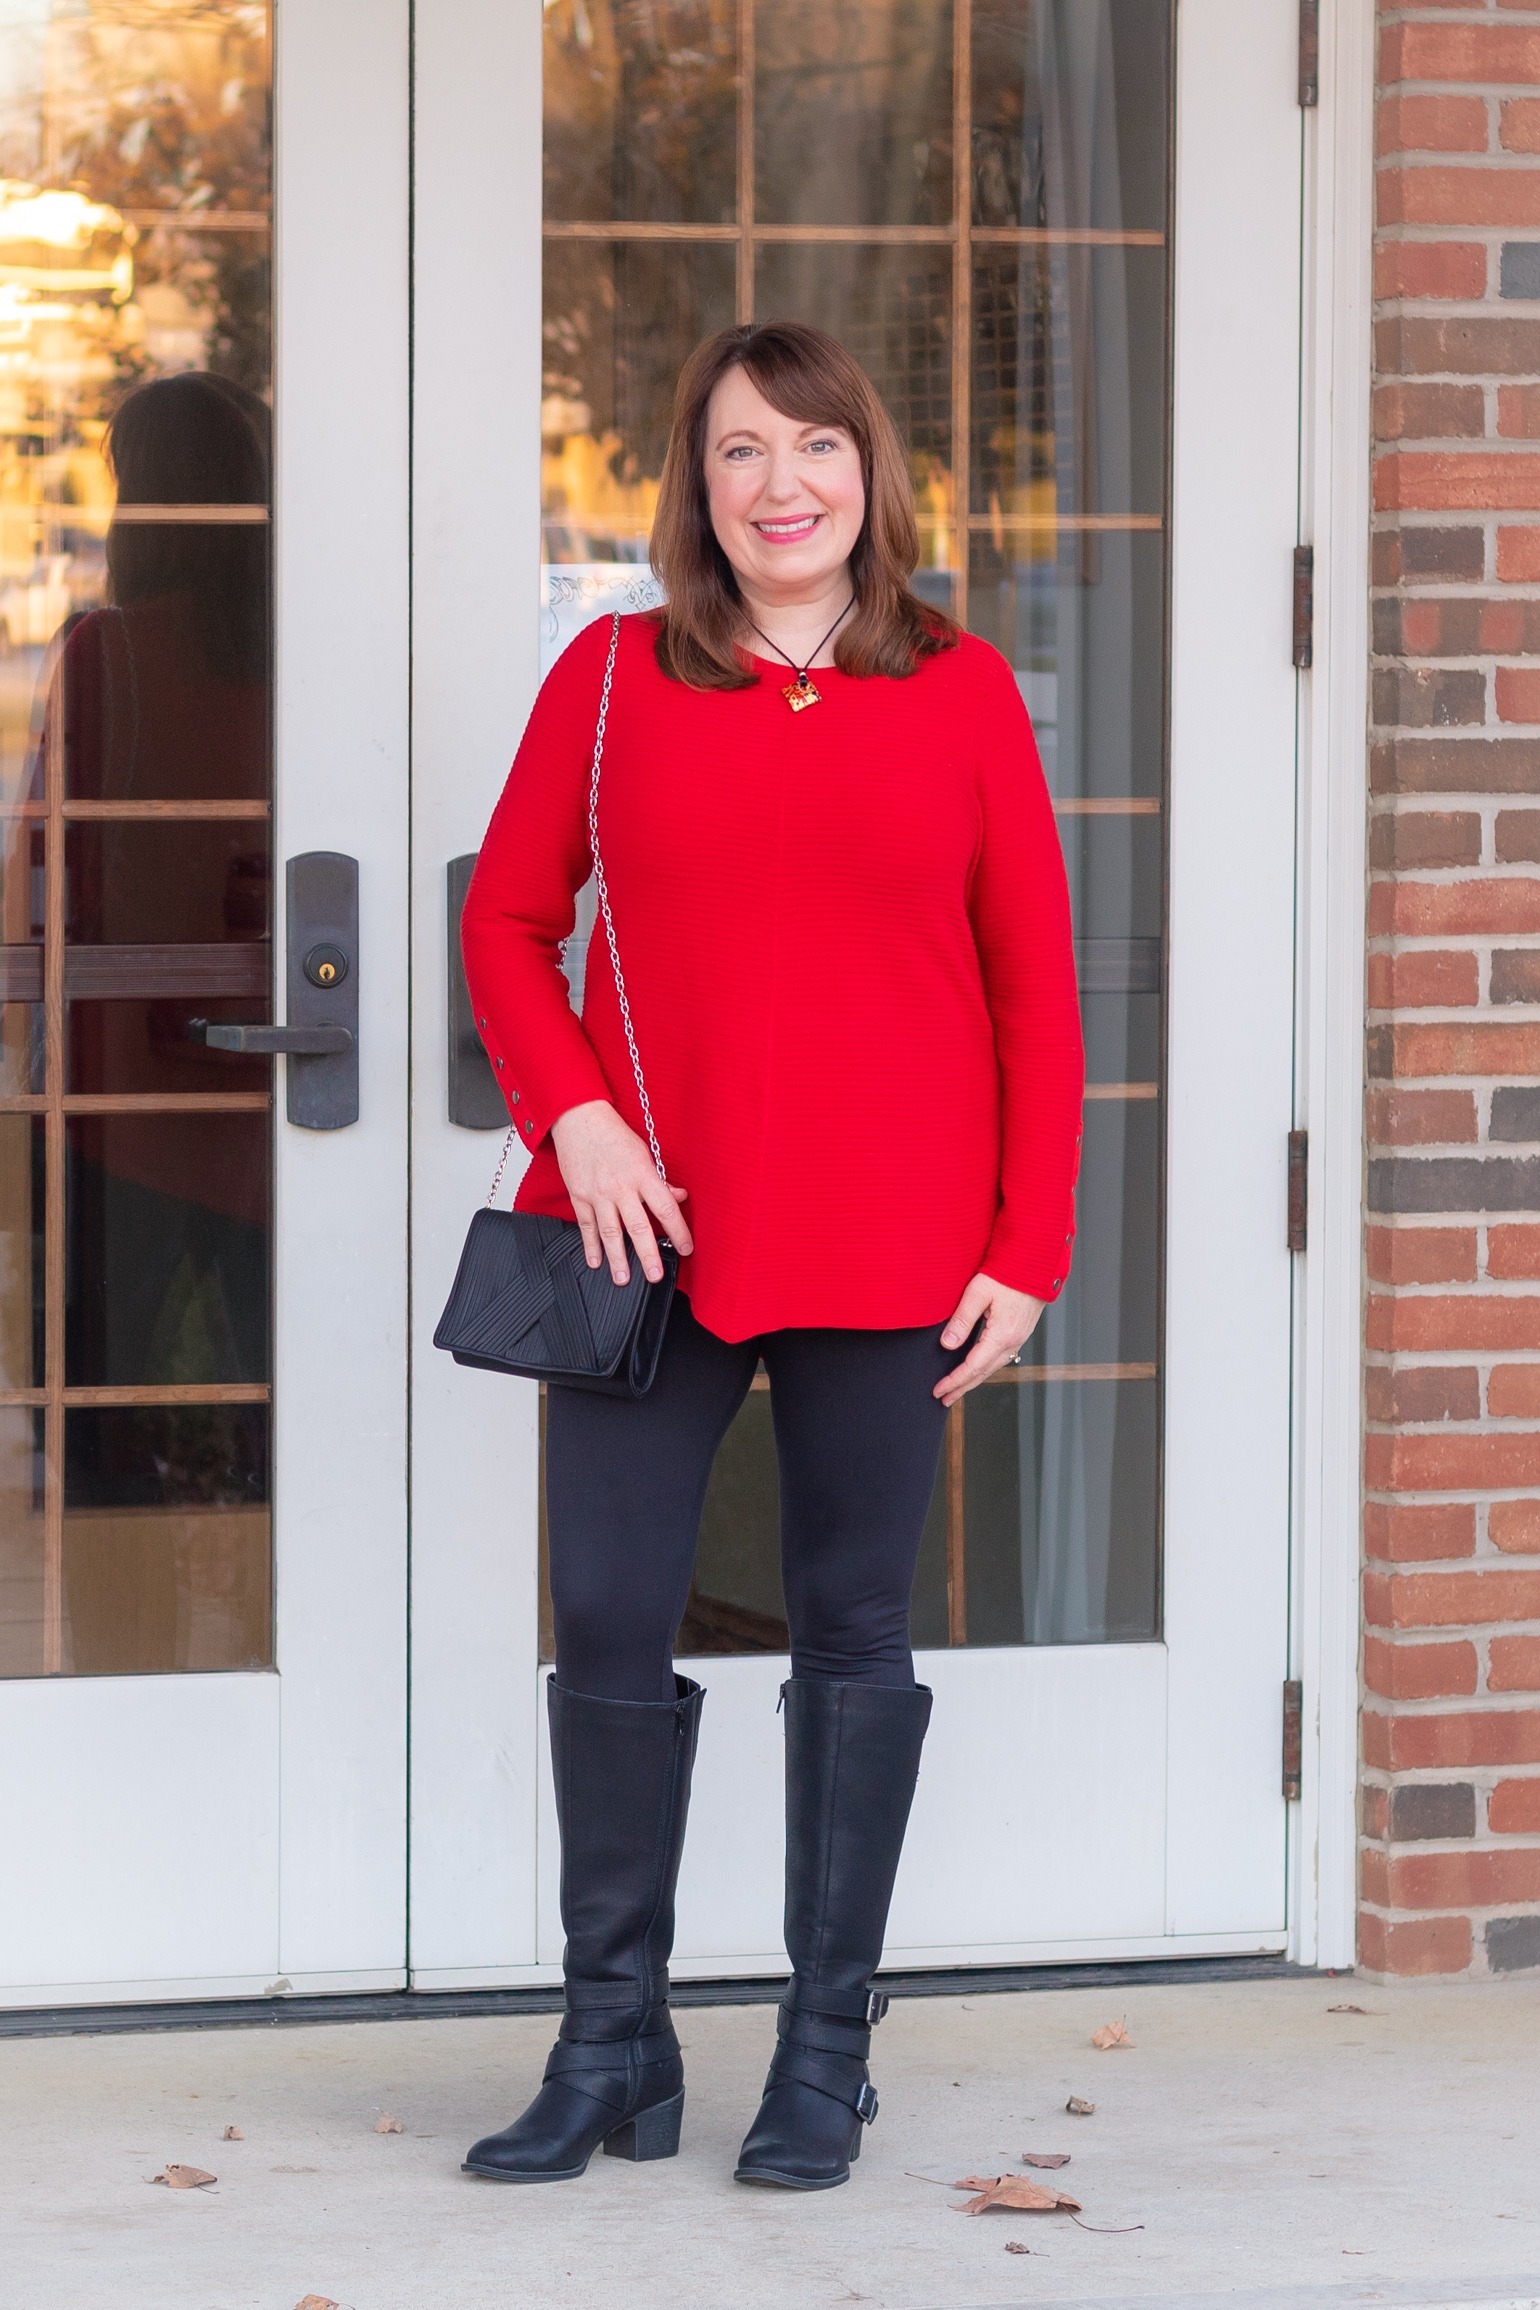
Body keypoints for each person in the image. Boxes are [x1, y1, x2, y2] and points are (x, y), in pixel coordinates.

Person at [458, 321, 1083, 2190]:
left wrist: (1028, 1243)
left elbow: (1035, 993)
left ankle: (825, 2053)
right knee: (609, 1616)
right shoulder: (608, 679)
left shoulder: (961, 688)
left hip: (894, 1236)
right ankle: (610, 2037)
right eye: (741, 451)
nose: (783, 484)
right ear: (697, 485)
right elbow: (506, 919)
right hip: (649, 1225)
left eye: (817, 446)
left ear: (870, 476)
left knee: (853, 1625)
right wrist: (574, 1114)